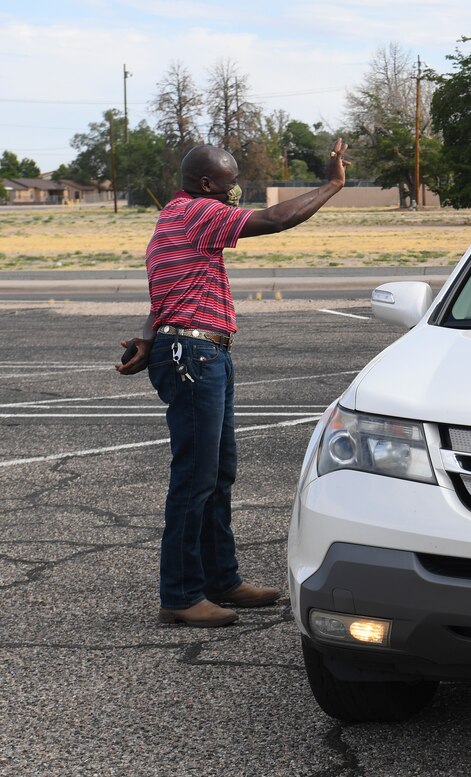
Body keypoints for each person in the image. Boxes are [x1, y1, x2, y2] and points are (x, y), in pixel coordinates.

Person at [115, 139, 350, 627]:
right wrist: (331, 184)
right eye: (230, 179)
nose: (236, 187)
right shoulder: (201, 211)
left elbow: (169, 291)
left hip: (198, 351)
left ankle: (222, 581)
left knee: (217, 475)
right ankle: (180, 595)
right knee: (195, 479)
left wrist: (147, 335)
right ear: (206, 184)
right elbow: (277, 220)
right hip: (194, 356)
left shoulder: (176, 216)